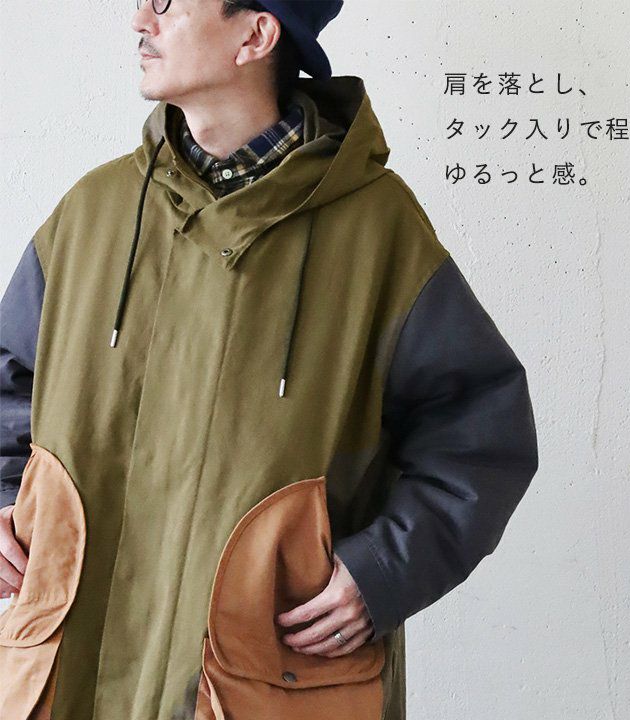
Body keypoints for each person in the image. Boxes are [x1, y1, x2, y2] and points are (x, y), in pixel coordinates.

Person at [0, 1, 539, 719]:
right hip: (71, 667)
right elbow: (8, 379)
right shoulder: (93, 214)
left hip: (261, 675)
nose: (140, 19)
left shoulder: (379, 233)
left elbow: (480, 435)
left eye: (169, 1)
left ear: (256, 33)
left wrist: (384, 571)